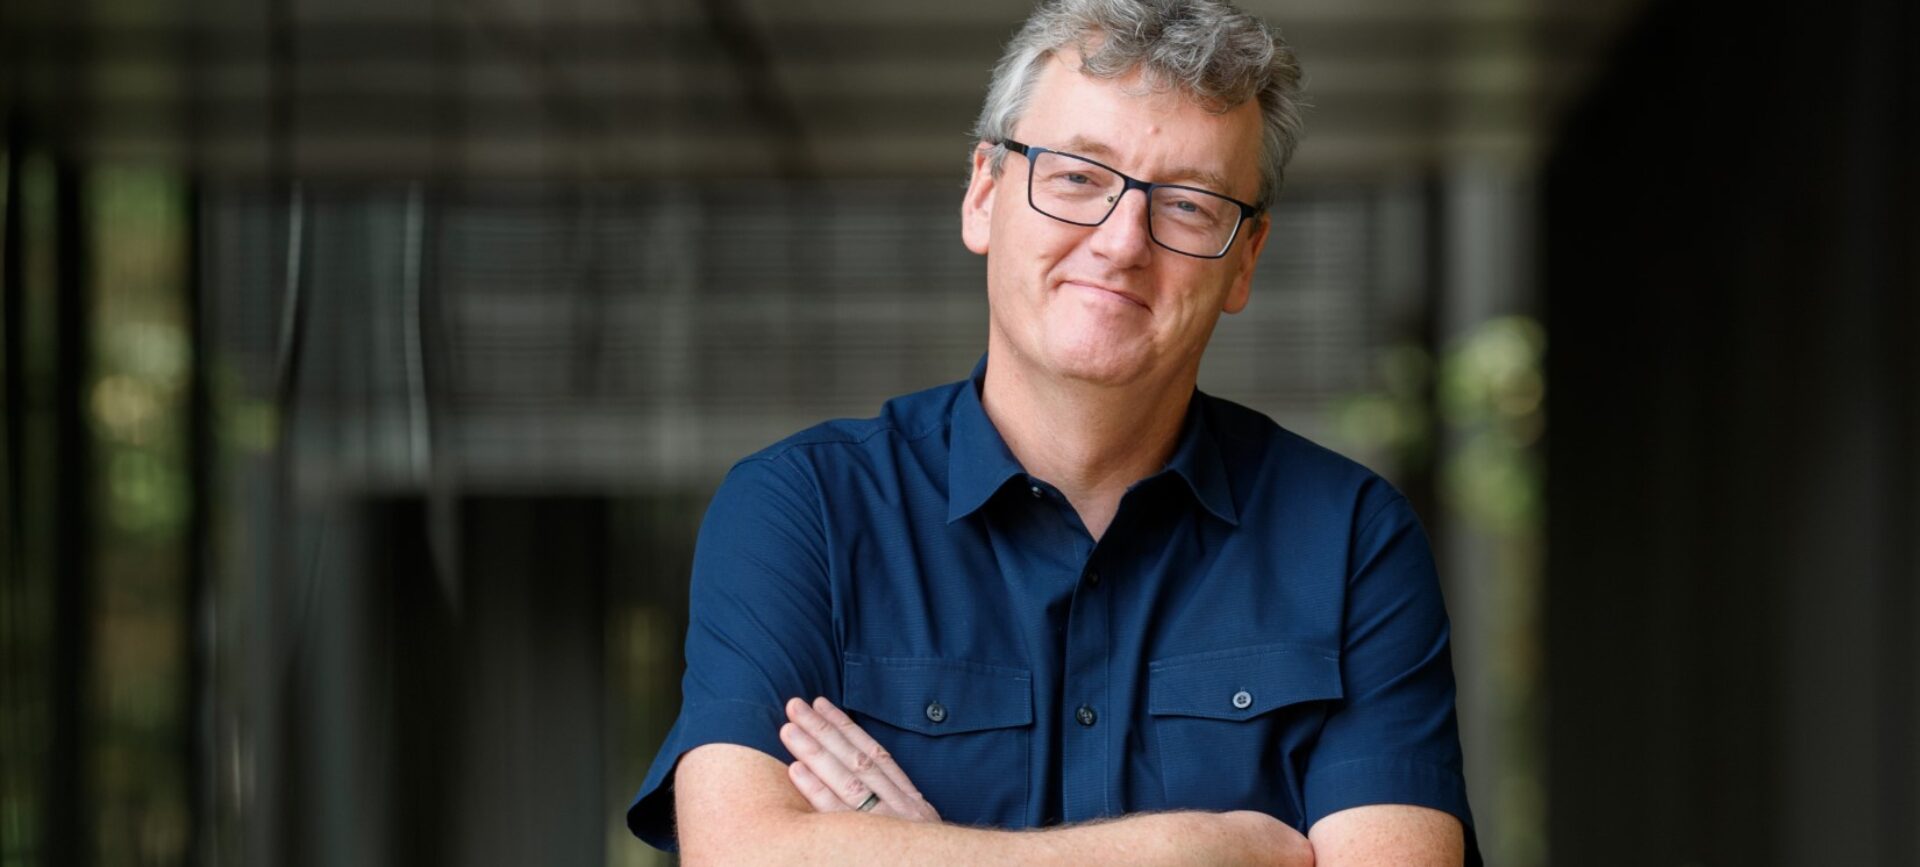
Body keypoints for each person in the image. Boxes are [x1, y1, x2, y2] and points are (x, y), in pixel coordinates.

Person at [626, 1, 1478, 863]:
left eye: (1187, 205)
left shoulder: (1350, 542)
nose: (1120, 244)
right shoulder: (802, 511)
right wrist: (1190, 851)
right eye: (1076, 176)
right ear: (984, 196)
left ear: (1244, 261)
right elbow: (740, 852)